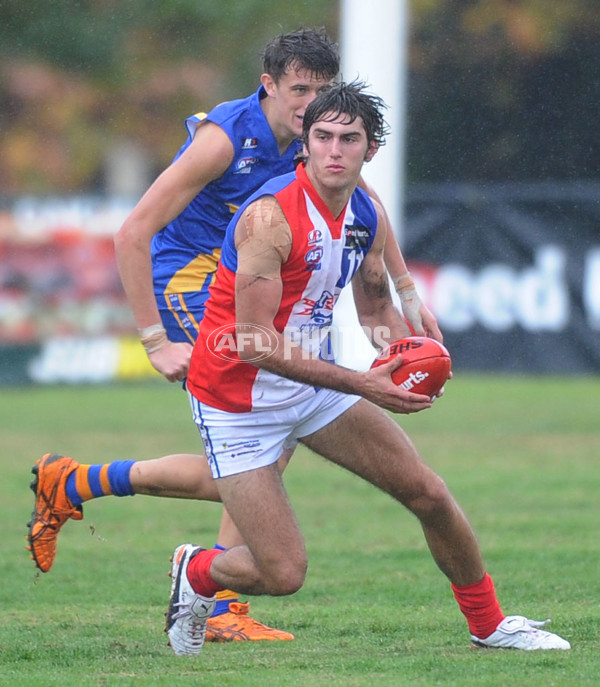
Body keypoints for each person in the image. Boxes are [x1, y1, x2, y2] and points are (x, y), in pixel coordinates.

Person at [26, 28, 439, 643]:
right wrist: (154, 341)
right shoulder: (225, 140)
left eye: (323, 91)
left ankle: (78, 483)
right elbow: (132, 231)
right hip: (191, 288)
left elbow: (367, 202)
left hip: (244, 288)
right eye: (300, 90)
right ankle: (218, 606)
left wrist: (407, 297)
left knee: (260, 462)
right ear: (268, 86)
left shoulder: (317, 141)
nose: (312, 104)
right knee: (258, 451)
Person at [164, 81, 571, 656]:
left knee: (428, 493)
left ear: (370, 149)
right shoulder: (268, 220)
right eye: (322, 137)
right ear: (303, 145)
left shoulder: (365, 212)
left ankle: (489, 624)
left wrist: (405, 358)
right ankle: (198, 571)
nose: (334, 150)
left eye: (348, 139)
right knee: (282, 575)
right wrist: (364, 382)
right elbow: (253, 342)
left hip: (313, 386)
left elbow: (375, 303)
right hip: (237, 403)